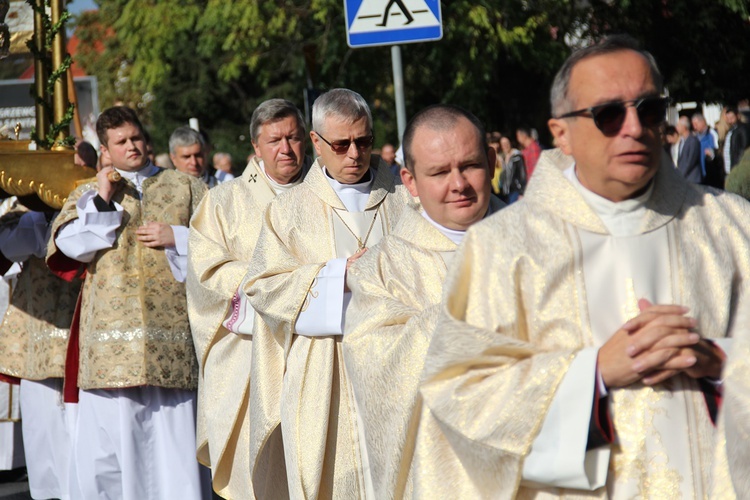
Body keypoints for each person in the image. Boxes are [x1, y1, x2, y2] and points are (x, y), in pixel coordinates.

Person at [413, 35, 743, 498]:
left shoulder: (732, 225)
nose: (633, 127)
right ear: (560, 133)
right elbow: (460, 396)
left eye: (649, 110)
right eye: (608, 114)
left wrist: (718, 361)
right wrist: (593, 376)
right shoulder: (502, 247)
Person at [242, 88, 410, 498]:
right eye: (341, 144)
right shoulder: (289, 210)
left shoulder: (405, 196)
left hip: (399, 363)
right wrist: (339, 275)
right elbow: (264, 287)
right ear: (316, 143)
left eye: (364, 141)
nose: (355, 153)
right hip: (325, 373)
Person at [47, 106, 209, 499]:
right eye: (121, 142)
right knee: (112, 455)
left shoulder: (185, 186)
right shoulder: (87, 193)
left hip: (171, 342)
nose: (132, 146)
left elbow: (222, 244)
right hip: (111, 349)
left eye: (135, 137)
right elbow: (66, 249)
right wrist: (103, 200)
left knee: (176, 452)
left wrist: (179, 237)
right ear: (105, 150)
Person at [342, 104, 503, 499]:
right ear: (410, 182)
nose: (459, 184)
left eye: (470, 165)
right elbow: (377, 374)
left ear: (493, 161)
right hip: (443, 478)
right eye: (439, 172)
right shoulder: (382, 269)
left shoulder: (541, 240)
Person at [187, 98, 310, 498]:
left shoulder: (327, 196)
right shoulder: (223, 202)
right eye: (274, 140)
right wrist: (276, 283)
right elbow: (206, 275)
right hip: (248, 358)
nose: (286, 149)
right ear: (256, 147)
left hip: (317, 352)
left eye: (293, 137)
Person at [0, 200, 81, 499]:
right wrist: (39, 213)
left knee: (81, 419)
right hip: (38, 326)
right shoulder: (22, 213)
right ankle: (48, 492)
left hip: (82, 321)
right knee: (43, 420)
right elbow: (16, 247)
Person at [692, 112, 723, 188]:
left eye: (696, 124)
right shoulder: (695, 137)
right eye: (693, 125)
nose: (694, 127)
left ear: (703, 122)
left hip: (711, 172)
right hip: (700, 174)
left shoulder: (712, 133)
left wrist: (712, 153)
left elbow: (718, 150)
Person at [498, 135, 527, 203]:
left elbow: (522, 174)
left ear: (510, 143)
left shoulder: (517, 156)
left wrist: (521, 192)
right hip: (506, 192)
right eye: (503, 144)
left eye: (507, 143)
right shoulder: (503, 157)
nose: (505, 145)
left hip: (515, 190)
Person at [674, 115, 702, 183]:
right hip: (684, 178)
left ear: (684, 127)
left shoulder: (693, 141)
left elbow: (691, 161)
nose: (676, 128)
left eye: (678, 125)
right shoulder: (682, 141)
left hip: (692, 178)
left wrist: (681, 175)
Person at [723, 105, 749, 172]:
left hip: (737, 166)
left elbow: (744, 147)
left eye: (732, 118)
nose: (730, 121)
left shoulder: (742, 129)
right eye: (728, 118)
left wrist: (739, 164)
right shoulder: (731, 130)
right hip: (729, 166)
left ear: (737, 116)